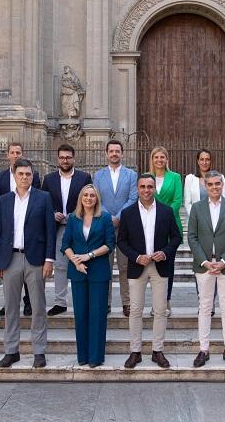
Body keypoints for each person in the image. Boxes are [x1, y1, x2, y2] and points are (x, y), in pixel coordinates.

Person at [0, 158, 56, 369]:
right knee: (11, 307)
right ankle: (11, 351)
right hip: (9, 259)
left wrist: (49, 259)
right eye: (20, 174)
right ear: (14, 175)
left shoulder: (43, 198)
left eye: (28, 174)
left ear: (33, 176)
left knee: (38, 306)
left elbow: (50, 231)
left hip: (36, 259)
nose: (24, 177)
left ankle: (39, 350)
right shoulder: (3, 200)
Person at [118, 174, 182, 369]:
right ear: (137, 189)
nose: (146, 190)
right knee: (136, 311)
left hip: (159, 267)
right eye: (143, 186)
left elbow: (176, 238)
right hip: (137, 266)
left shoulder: (166, 211)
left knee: (160, 310)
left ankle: (157, 351)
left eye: (150, 186)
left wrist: (165, 252)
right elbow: (121, 241)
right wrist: (136, 257)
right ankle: (135, 352)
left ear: (154, 189)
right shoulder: (128, 213)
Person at [187, 171, 225, 368]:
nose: (214, 187)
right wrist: (204, 261)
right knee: (205, 307)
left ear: (222, 185)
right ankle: (204, 350)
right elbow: (192, 237)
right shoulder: (196, 208)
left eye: (217, 184)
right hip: (204, 266)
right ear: (205, 187)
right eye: (210, 184)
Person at [60, 185, 114, 368]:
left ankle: (96, 357)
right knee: (81, 314)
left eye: (92, 195)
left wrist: (89, 255)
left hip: (98, 271)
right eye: (85, 195)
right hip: (78, 272)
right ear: (80, 198)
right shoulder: (73, 219)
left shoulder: (105, 218)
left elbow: (109, 245)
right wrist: (76, 262)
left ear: (97, 198)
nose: (89, 198)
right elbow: (65, 244)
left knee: (98, 315)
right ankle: (82, 355)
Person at [41, 144, 92, 316]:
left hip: (78, 225)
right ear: (58, 159)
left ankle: (84, 301)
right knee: (61, 266)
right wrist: (53, 213)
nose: (65, 160)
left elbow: (90, 199)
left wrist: (75, 214)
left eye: (68, 157)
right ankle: (60, 302)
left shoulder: (84, 178)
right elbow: (43, 202)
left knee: (82, 263)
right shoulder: (48, 179)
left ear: (74, 158)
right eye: (62, 157)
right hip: (57, 228)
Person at [0, 142, 41, 317]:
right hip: (9, 233)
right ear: (7, 155)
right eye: (12, 152)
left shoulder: (33, 175)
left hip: (30, 238)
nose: (15, 155)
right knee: (10, 283)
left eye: (18, 152)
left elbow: (38, 200)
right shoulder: (1, 176)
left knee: (32, 282)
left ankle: (28, 302)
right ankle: (10, 304)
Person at [93, 140, 138, 316]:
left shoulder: (131, 175)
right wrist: (108, 217)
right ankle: (106, 302)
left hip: (125, 227)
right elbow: (96, 197)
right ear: (106, 153)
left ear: (122, 153)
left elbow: (133, 198)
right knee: (105, 266)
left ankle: (127, 302)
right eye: (111, 151)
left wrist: (119, 217)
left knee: (125, 266)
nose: (114, 154)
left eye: (117, 151)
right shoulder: (98, 175)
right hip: (104, 227)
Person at [184, 149, 225, 315]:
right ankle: (203, 301)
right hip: (199, 227)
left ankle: (213, 303)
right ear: (197, 161)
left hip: (217, 228)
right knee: (201, 265)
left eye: (207, 159)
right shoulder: (190, 179)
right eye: (201, 159)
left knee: (216, 264)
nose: (204, 162)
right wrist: (198, 218)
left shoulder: (219, 177)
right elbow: (187, 202)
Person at [150, 146, 182, 316]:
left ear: (166, 159)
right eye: (156, 157)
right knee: (152, 268)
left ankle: (166, 300)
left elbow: (178, 201)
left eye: (162, 157)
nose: (159, 160)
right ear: (152, 159)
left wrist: (162, 216)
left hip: (171, 228)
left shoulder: (175, 177)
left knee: (167, 266)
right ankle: (156, 302)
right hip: (149, 227)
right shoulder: (148, 178)